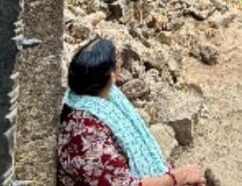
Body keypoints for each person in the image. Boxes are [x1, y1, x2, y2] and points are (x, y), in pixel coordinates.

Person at [57, 38, 206, 186]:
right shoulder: (84, 131)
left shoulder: (103, 98)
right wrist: (177, 177)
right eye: (117, 59)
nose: (121, 60)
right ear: (112, 76)